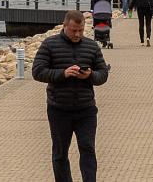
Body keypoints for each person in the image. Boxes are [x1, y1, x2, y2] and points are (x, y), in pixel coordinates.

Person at [32, 10, 109, 182]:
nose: (77, 34)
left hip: (86, 109)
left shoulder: (91, 46)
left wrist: (90, 76)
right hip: (59, 109)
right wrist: (63, 73)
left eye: (81, 30)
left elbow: (103, 74)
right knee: (60, 153)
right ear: (64, 26)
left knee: (87, 148)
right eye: (74, 30)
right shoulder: (49, 44)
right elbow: (37, 72)